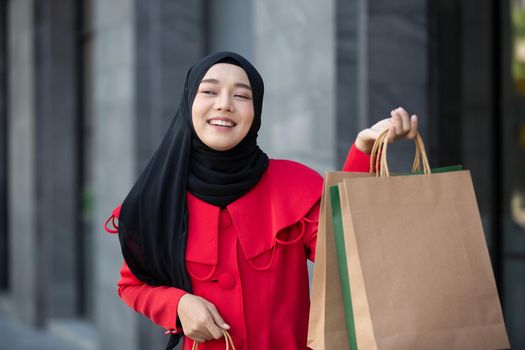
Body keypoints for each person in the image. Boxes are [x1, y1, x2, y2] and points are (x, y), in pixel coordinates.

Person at [104, 51, 419, 350]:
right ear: (189, 103)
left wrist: (364, 151)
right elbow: (131, 285)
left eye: (241, 96)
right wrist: (177, 305)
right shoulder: (162, 195)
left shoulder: (293, 185)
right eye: (210, 92)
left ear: (256, 113)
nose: (225, 104)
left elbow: (346, 247)